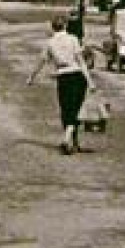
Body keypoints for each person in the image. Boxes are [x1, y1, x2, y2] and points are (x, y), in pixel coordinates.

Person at [27, 16, 96, 154]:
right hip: (77, 75)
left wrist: (31, 77)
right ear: (65, 26)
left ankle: (72, 142)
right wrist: (90, 81)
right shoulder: (73, 39)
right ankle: (67, 139)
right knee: (76, 109)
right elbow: (81, 61)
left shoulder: (50, 42)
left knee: (66, 109)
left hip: (63, 77)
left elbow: (41, 61)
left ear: (53, 27)